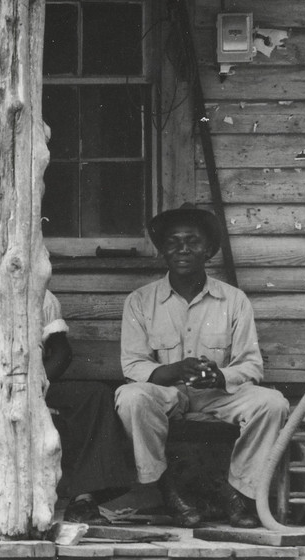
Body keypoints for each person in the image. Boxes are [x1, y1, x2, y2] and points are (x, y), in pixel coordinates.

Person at [0, 218, 138, 519]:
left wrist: (31, 381)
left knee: (94, 396)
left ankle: (84, 498)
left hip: (33, 383)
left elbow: (61, 353)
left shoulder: (38, 294)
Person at [114, 206, 289, 527]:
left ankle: (239, 494)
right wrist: (176, 370)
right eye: (173, 242)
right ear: (163, 249)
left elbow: (250, 365)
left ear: (208, 250)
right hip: (166, 395)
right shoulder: (140, 301)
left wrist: (218, 375)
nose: (182, 249)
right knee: (131, 397)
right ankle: (168, 489)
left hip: (218, 396)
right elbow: (134, 364)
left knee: (272, 403)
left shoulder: (234, 300)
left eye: (192, 242)